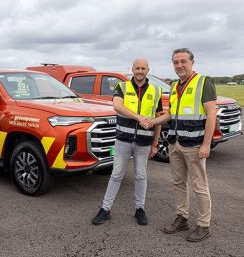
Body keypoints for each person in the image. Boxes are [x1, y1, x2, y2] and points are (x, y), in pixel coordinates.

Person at [146, 48, 217, 242]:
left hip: (194, 144)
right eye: (176, 62)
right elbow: (171, 114)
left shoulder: (204, 82)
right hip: (175, 143)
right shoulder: (175, 85)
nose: (179, 66)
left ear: (192, 62)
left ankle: (203, 225)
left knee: (199, 185)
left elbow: (211, 114)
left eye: (183, 61)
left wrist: (206, 144)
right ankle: (182, 217)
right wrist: (153, 122)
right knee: (179, 183)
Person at [92, 58, 162, 226]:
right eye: (137, 68)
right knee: (116, 175)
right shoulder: (122, 87)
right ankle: (105, 209)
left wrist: (155, 143)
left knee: (141, 175)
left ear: (148, 70)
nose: (140, 71)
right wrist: (138, 117)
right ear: (132, 69)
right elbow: (117, 106)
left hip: (144, 142)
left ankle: (140, 209)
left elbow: (158, 119)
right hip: (123, 139)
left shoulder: (156, 90)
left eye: (143, 68)